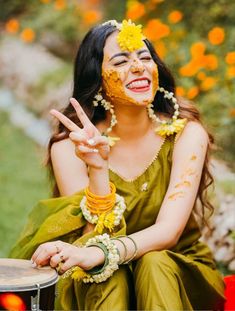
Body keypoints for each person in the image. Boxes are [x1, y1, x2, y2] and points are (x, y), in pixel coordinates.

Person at [10, 19, 225, 310]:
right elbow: (91, 240)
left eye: (145, 57)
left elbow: (169, 232)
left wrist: (103, 252)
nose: (138, 67)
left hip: (178, 271)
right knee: (109, 274)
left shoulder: (186, 134)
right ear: (96, 78)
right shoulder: (70, 147)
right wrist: (97, 168)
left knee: (153, 262)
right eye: (122, 61)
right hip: (100, 279)